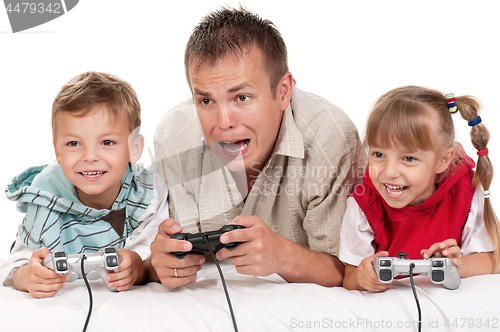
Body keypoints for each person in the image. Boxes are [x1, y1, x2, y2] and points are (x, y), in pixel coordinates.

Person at [146, 6, 364, 288]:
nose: (223, 123)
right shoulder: (173, 136)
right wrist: (160, 266)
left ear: (282, 91)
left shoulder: (330, 137)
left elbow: (348, 272)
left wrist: (283, 256)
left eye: (242, 98)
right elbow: (179, 258)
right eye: (206, 101)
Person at [0, 71, 168, 298]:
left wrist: (137, 268)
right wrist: (26, 275)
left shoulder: (146, 194)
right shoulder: (45, 196)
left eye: (107, 142)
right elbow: (13, 264)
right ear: (57, 152)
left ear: (134, 148)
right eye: (73, 143)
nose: (90, 156)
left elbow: (152, 259)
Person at [340, 85, 500, 292]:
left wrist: (455, 266)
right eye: (378, 154)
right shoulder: (364, 203)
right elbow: (349, 278)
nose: (389, 172)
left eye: (408, 158)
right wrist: (363, 278)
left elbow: (492, 261)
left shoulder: (465, 192)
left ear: (443, 161)